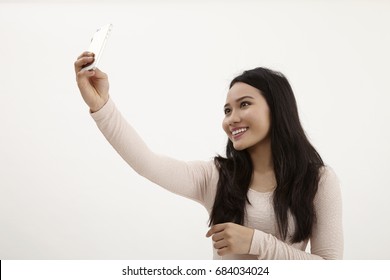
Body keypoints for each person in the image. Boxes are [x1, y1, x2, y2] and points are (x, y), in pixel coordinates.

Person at [74, 51, 343, 259]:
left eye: (244, 104)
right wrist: (101, 106)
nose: (231, 119)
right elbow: (147, 163)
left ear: (277, 109)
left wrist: (255, 242)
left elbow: (331, 267)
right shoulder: (216, 177)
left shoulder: (319, 180)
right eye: (227, 110)